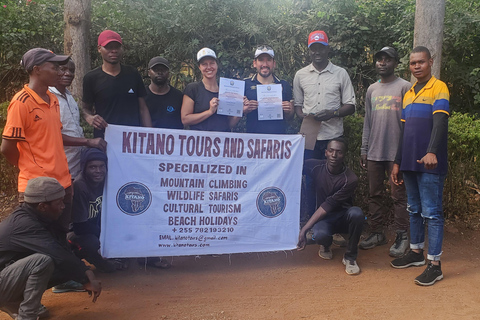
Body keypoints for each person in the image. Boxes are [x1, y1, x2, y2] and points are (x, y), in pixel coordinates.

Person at [0, 177, 102, 320]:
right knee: (42, 261)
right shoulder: (24, 224)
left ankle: (15, 301)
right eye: (59, 202)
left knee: (65, 263)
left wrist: (82, 275)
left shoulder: (38, 216)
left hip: (7, 275)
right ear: (42, 206)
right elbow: (57, 253)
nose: (63, 206)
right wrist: (87, 275)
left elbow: (62, 250)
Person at [390, 46, 449, 286]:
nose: (416, 66)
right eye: (413, 63)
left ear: (430, 62)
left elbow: (440, 123)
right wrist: (396, 162)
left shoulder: (439, 87)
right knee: (413, 208)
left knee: (432, 213)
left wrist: (432, 151)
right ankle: (416, 253)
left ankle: (434, 265)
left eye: (421, 62)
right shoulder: (409, 92)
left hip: (430, 162)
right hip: (409, 162)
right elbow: (404, 132)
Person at [1, 48, 73, 232]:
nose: (58, 71)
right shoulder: (21, 103)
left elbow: (52, 138)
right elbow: (7, 148)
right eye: (54, 66)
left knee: (61, 235)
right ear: (37, 69)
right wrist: (27, 166)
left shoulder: (52, 99)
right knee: (40, 241)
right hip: (38, 187)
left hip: (63, 181)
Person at [359, 47, 411, 257]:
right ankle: (377, 233)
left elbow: (410, 123)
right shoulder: (371, 89)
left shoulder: (405, 87)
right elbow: (367, 122)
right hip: (374, 152)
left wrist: (405, 152)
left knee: (399, 196)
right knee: (374, 195)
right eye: (379, 59)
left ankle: (402, 236)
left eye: (387, 60)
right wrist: (364, 148)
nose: (382, 62)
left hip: (396, 154)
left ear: (396, 63)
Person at [297, 138, 364, 275]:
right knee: (319, 235)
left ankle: (350, 257)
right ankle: (325, 244)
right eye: (331, 151)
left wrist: (304, 229)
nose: (334, 155)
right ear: (326, 153)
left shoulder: (350, 179)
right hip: (324, 219)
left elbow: (327, 205)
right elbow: (292, 165)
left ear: (344, 155)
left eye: (338, 152)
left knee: (357, 213)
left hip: (343, 218)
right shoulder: (315, 167)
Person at [293, 30, 356, 160]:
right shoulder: (300, 75)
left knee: (332, 175)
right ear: (309, 51)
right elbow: (298, 105)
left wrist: (333, 113)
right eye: (313, 48)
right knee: (310, 175)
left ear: (328, 49)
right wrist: (303, 116)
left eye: (321, 48)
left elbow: (351, 105)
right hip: (309, 136)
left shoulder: (341, 73)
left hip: (333, 136)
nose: (317, 52)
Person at [82, 30, 152, 138]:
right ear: (99, 49)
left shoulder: (133, 73)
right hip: (105, 138)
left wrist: (150, 134)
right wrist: (89, 118)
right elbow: (85, 108)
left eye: (117, 47)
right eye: (109, 47)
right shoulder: (91, 78)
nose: (114, 51)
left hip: (132, 139)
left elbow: (143, 108)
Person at [49, 58, 106, 179]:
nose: (68, 73)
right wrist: (88, 141)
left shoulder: (69, 97)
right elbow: (52, 135)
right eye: (63, 69)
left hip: (75, 167)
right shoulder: (48, 98)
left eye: (72, 70)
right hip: (56, 169)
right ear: (54, 70)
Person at [181, 47, 237, 132]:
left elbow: (229, 124)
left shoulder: (226, 90)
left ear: (217, 65)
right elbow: (185, 119)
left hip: (222, 142)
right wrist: (210, 112)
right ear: (199, 67)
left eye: (212, 63)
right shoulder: (193, 88)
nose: (209, 67)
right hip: (199, 142)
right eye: (204, 64)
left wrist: (240, 111)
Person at [242, 45, 294, 134]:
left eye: (268, 60)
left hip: (278, 141)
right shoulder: (245, 84)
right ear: (254, 63)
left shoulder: (284, 85)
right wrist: (244, 110)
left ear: (274, 63)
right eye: (261, 60)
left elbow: (290, 117)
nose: (265, 64)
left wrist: (289, 110)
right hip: (253, 141)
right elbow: (234, 117)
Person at [145, 56, 184, 129]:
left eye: (163, 70)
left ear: (168, 73)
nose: (160, 72)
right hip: (147, 139)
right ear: (149, 73)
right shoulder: (142, 95)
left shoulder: (178, 96)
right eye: (155, 70)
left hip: (172, 139)